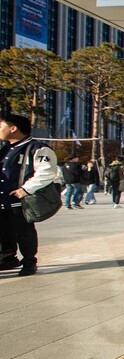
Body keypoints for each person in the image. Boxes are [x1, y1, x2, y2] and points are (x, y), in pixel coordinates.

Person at [0, 113, 58, 276]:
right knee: (4, 231)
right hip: (3, 199)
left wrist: (25, 189)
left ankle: (29, 262)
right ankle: (7, 258)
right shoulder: (5, 149)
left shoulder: (37, 148)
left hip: (21, 200)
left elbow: (47, 172)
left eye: (0, 126)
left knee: (23, 231)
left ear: (13, 128)